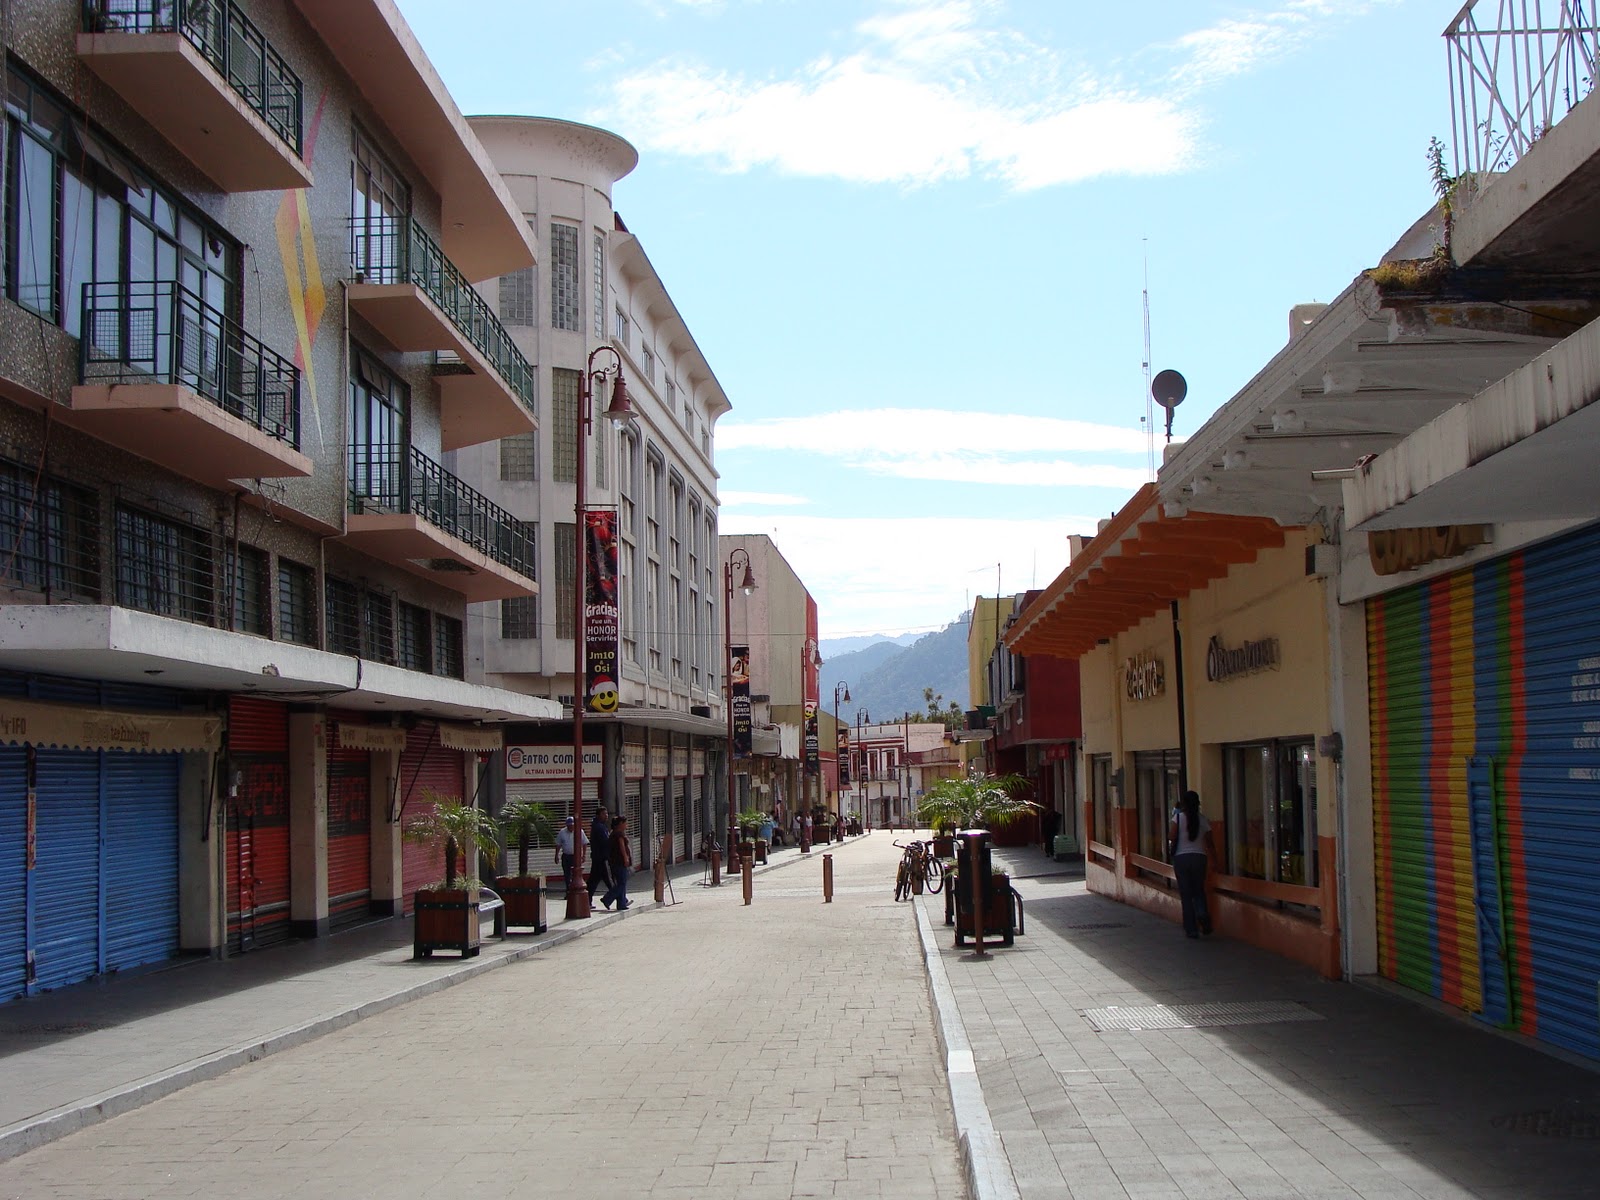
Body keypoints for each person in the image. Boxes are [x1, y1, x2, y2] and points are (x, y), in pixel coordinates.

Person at [1168, 790, 1214, 939]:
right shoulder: (1203, 819)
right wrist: (1215, 860)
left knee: (1186, 895)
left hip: (1181, 859)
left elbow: (1171, 836)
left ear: (1184, 804)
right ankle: (1202, 913)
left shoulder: (1178, 818)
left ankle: (1191, 929)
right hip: (1200, 858)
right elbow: (1210, 843)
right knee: (1199, 890)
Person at [601, 815, 633, 910]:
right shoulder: (618, 834)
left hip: (615, 862)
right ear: (620, 824)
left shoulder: (614, 834)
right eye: (625, 823)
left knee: (621, 883)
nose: (626, 825)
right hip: (619, 862)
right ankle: (607, 898)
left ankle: (621, 903)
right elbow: (622, 847)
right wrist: (626, 858)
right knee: (621, 883)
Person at [586, 806, 612, 902]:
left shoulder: (601, 826)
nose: (606, 816)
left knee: (595, 880)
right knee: (608, 880)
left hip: (599, 857)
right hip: (600, 857)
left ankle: (587, 899)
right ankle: (618, 897)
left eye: (606, 814)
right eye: (603, 814)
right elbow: (605, 842)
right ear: (598, 815)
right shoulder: (599, 827)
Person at [554, 815, 586, 890]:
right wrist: (556, 855)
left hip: (576, 856)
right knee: (567, 874)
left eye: (572, 826)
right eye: (569, 826)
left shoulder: (580, 831)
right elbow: (558, 844)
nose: (571, 827)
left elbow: (584, 843)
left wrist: (583, 855)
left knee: (576, 874)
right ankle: (568, 890)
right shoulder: (562, 832)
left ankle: (575, 889)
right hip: (566, 856)